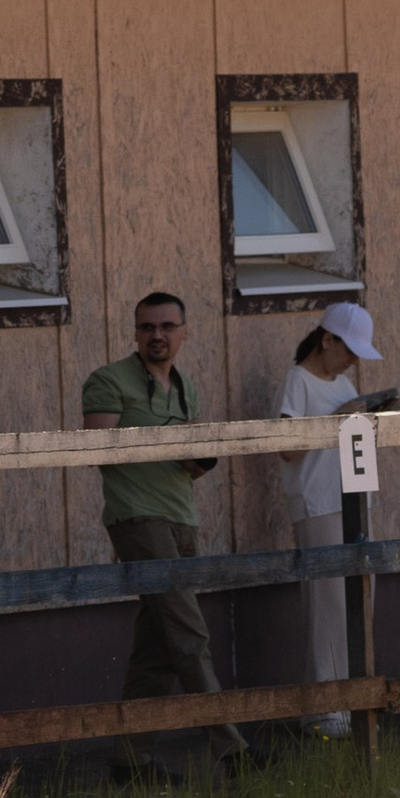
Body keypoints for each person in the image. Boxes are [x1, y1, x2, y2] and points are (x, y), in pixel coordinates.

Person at [80, 290, 244, 759]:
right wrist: (172, 443)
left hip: (181, 516)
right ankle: (230, 748)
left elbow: (188, 466)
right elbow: (97, 449)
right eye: (147, 327)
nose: (157, 335)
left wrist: (200, 458)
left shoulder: (186, 386)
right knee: (190, 635)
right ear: (135, 332)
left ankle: (132, 760)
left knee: (157, 648)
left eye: (167, 326)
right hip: (138, 518)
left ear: (184, 332)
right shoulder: (108, 380)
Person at [278, 303, 381, 737]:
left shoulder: (345, 383)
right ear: (327, 340)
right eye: (349, 349)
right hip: (318, 504)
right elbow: (287, 449)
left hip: (355, 500)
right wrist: (335, 421)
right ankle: (326, 711)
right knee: (327, 605)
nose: (354, 359)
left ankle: (350, 703)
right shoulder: (298, 382)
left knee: (359, 601)